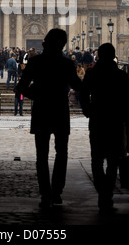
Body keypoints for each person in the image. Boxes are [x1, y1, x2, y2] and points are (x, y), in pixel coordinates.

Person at [16, 28, 82, 208]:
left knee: (41, 155)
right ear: (62, 44)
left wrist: (36, 95)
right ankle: (57, 192)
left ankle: (45, 193)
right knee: (62, 153)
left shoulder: (35, 62)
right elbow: (78, 86)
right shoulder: (66, 64)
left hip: (41, 110)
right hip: (60, 110)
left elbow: (20, 88)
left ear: (45, 42)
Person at [79, 43, 129, 214]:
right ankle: (107, 192)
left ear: (98, 56)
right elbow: (127, 102)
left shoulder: (92, 74)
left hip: (97, 120)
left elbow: (82, 94)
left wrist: (87, 110)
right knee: (113, 161)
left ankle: (102, 190)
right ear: (113, 56)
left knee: (96, 159)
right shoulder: (121, 75)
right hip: (115, 121)